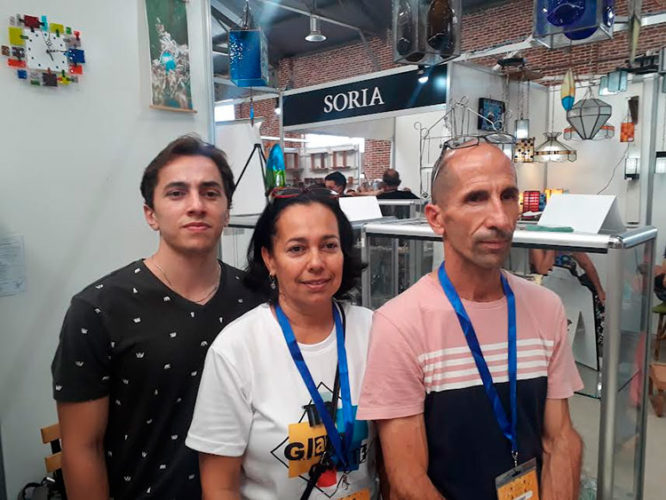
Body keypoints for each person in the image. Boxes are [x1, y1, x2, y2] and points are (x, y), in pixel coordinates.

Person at [357, 141, 583, 499]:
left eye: (507, 196)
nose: (500, 219)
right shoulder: (400, 324)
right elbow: (406, 478)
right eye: (476, 198)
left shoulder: (546, 308)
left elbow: (560, 439)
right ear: (436, 219)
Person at [51, 135, 265, 500]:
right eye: (177, 193)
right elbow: (82, 448)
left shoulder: (256, 299)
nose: (196, 205)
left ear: (227, 211)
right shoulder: (99, 310)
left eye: (210, 193)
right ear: (151, 214)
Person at [187, 189, 382, 499]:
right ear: (270, 259)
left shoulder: (373, 330)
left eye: (329, 246)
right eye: (297, 249)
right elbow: (220, 487)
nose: (316, 262)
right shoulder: (236, 349)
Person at [531, 249, 606, 349]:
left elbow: (587, 265)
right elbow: (543, 269)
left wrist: (599, 290)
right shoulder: (538, 247)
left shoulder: (568, 246)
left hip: (570, 290)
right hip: (548, 291)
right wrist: (551, 249)